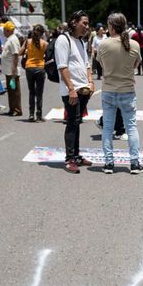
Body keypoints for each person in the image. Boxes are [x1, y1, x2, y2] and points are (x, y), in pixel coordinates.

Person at [97, 12, 143, 174]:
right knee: (131, 127)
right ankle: (135, 163)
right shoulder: (134, 45)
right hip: (127, 90)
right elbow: (135, 65)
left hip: (109, 89)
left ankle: (109, 163)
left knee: (108, 129)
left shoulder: (103, 44)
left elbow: (101, 65)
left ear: (110, 26)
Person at [56, 10, 94, 174]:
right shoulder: (63, 40)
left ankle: (77, 156)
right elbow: (62, 66)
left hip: (84, 89)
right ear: (74, 23)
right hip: (71, 90)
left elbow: (86, 64)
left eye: (87, 23)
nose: (87, 26)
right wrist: (71, 89)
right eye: (84, 23)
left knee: (77, 122)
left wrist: (91, 82)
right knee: (72, 123)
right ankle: (70, 159)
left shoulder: (80, 41)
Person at [21, 24, 48, 122]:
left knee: (31, 92)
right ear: (42, 34)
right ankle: (39, 115)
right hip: (40, 68)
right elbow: (48, 55)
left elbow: (20, 52)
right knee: (39, 93)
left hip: (29, 67)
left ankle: (31, 114)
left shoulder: (27, 42)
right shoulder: (44, 43)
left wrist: (27, 51)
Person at [1, 21, 22, 116]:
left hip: (11, 70)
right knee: (11, 90)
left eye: (4, 29)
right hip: (9, 70)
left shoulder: (13, 39)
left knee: (14, 91)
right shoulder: (10, 39)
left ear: (8, 30)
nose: (3, 31)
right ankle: (12, 108)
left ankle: (17, 110)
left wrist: (13, 69)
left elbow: (15, 55)